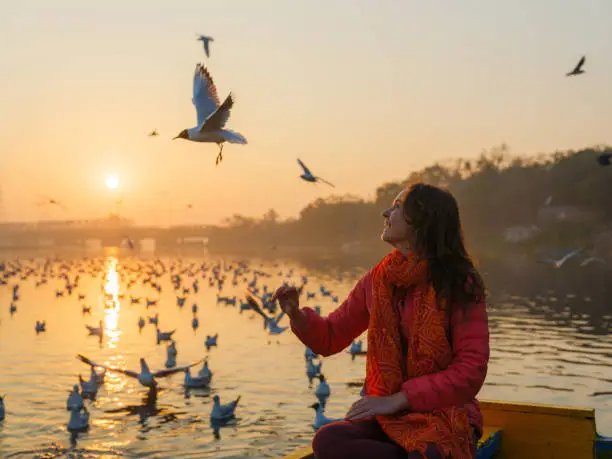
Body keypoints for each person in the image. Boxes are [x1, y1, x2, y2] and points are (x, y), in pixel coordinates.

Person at [272, 183, 489, 459]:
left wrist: (399, 399)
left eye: (397, 207)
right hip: (389, 418)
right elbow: (330, 337)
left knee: (431, 454)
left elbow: (470, 371)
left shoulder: (460, 283)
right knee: (328, 439)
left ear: (421, 221)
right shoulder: (378, 280)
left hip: (447, 414)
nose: (386, 212)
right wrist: (297, 315)